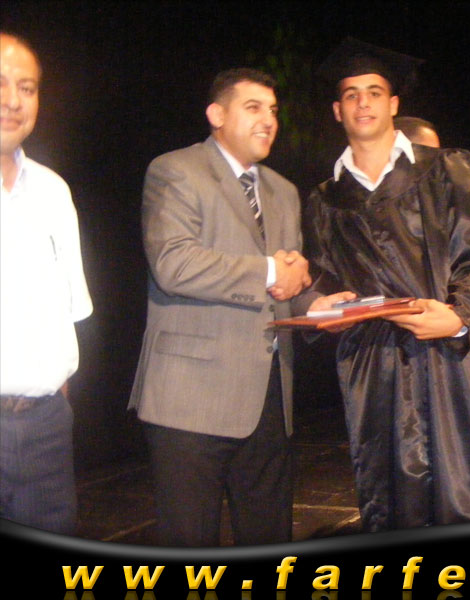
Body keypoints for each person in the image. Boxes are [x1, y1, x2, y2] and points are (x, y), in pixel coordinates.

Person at [304, 37, 470, 532]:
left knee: (462, 488)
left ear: (393, 103)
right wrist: (319, 304)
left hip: (443, 352)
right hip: (371, 362)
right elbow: (323, 277)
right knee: (388, 490)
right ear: (337, 110)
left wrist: (459, 316)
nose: (363, 102)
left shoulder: (448, 168)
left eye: (374, 92)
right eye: (351, 94)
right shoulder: (326, 199)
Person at [128, 67, 312, 546]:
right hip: (190, 401)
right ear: (216, 114)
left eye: (273, 110)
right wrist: (271, 271)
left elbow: (285, 283)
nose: (268, 120)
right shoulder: (175, 170)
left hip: (269, 400)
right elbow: (173, 263)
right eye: (253, 108)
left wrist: (319, 302)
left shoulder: (284, 191)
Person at [0, 31, 94, 535]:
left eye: (27, 87)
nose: (13, 101)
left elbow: (70, 311)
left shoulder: (53, 191)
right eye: (0, 83)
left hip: (44, 431)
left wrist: (54, 399)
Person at [393, 114, 470, 352]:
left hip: (444, 339)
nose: (438, 163)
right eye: (429, 153)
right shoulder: (361, 205)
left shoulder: (441, 204)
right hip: (390, 343)